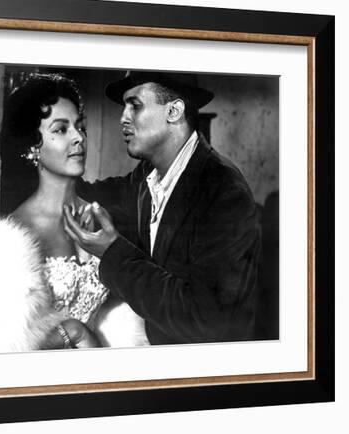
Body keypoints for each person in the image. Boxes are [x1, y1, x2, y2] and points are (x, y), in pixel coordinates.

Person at [0, 73, 148, 355]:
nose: (78, 138)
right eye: (61, 129)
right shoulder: (8, 239)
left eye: (81, 127)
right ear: (32, 147)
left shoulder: (104, 221)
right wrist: (75, 332)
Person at [66, 70, 261, 345]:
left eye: (135, 105)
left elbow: (205, 319)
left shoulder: (224, 192)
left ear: (174, 111)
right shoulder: (149, 174)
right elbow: (100, 191)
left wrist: (113, 253)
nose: (122, 118)